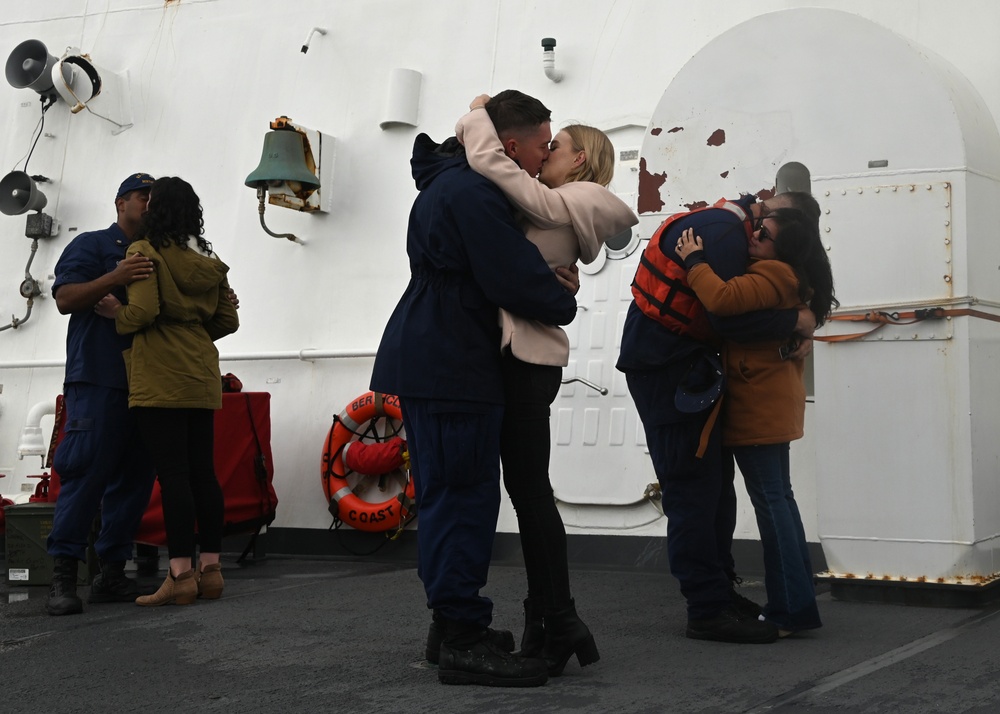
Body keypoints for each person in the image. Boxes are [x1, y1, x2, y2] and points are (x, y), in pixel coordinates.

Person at [370, 90, 578, 687]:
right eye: (543, 146)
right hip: (454, 357)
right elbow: (509, 275)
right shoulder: (476, 194)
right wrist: (559, 293)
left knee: (447, 493)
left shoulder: (448, 185)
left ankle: (450, 627)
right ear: (510, 146)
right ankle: (462, 639)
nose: (543, 159)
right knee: (462, 495)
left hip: (433, 351)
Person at [454, 96, 638, 675]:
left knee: (531, 493)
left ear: (579, 159)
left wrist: (478, 117)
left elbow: (502, 171)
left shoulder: (579, 198)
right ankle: (551, 617)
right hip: (528, 358)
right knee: (530, 491)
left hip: (527, 361)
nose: (544, 153)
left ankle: (558, 619)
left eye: (553, 147)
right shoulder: (567, 203)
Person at [616, 190, 820, 644]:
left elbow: (730, 307)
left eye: (766, 230)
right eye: (762, 223)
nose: (757, 232)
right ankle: (708, 607)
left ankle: (718, 597)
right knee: (695, 488)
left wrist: (803, 318)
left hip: (680, 369)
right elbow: (726, 314)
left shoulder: (734, 242)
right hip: (668, 371)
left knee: (712, 489)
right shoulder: (729, 239)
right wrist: (798, 320)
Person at [675, 208, 837, 636]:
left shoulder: (771, 274)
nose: (755, 236)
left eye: (763, 235)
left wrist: (694, 260)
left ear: (779, 250)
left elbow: (723, 300)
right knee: (780, 500)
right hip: (771, 405)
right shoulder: (788, 277)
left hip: (759, 408)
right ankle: (796, 603)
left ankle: (790, 611)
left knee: (772, 503)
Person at [106, 176, 239, 606]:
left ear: (154, 209)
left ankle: (180, 575)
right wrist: (193, 329)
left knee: (174, 476)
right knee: (204, 473)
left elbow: (142, 312)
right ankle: (211, 571)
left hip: (161, 374)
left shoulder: (144, 251)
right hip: (200, 373)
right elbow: (226, 322)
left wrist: (116, 312)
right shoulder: (208, 255)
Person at [46, 173, 159, 616]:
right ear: (120, 202)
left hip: (146, 382)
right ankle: (63, 574)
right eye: (141, 196)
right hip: (97, 378)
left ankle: (111, 572)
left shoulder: (156, 256)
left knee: (134, 478)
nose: (148, 203)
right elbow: (65, 298)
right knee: (85, 474)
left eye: (154, 198)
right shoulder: (92, 246)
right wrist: (115, 276)